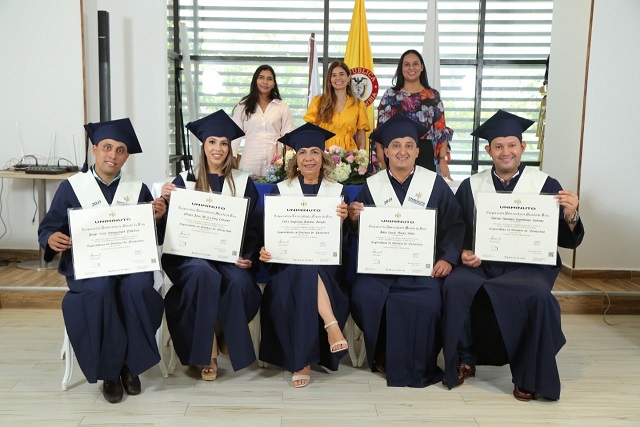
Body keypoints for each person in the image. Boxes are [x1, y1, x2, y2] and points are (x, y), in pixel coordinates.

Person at [441, 109, 585, 401]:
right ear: (488, 150)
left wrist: (571, 214)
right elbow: (457, 230)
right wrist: (463, 253)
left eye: (511, 145)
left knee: (536, 295)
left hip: (528, 267)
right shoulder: (472, 185)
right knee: (456, 284)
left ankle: (528, 373)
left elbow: (568, 238)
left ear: (522, 147)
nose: (505, 152)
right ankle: (465, 358)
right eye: (498, 146)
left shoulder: (546, 185)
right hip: (483, 265)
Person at [38, 118, 167, 404]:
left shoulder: (138, 188)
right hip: (90, 266)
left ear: (126, 156)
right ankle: (111, 371)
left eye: (120, 150)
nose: (113, 154)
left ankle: (130, 366)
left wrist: (157, 218)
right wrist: (51, 239)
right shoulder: (72, 187)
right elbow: (49, 227)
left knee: (139, 289)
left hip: (131, 265)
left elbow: (152, 235)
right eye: (107, 147)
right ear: (95, 149)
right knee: (99, 291)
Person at [347, 114, 465, 387]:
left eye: (409, 145)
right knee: (365, 295)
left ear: (417, 151)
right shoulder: (371, 186)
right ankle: (383, 356)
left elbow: (455, 225)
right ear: (385, 152)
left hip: (421, 269)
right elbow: (360, 232)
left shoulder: (434, 184)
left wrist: (447, 258)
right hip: (380, 270)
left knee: (429, 301)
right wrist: (354, 220)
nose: (403, 151)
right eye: (396, 145)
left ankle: (418, 362)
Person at [160, 110, 263, 381]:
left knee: (240, 284)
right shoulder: (184, 182)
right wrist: (165, 201)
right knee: (203, 273)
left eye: (224, 143)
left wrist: (248, 255)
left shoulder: (242, 183)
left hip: (228, 257)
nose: (218, 148)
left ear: (230, 148)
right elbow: (169, 226)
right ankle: (209, 350)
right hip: (189, 258)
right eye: (212, 142)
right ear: (203, 146)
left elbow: (254, 227)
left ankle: (223, 330)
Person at [258, 123, 351, 388]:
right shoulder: (281, 190)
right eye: (302, 153)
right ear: (295, 159)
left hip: (325, 267)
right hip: (286, 267)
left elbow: (341, 246)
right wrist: (265, 251)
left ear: (323, 158)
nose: (308, 157)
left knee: (309, 267)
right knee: (302, 267)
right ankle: (331, 325)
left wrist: (344, 222)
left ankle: (302, 362)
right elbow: (271, 236)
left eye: (314, 152)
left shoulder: (337, 192)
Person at [375, 49, 454, 177]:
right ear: (401, 68)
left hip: (425, 153)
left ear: (422, 67)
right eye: (407, 64)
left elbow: (441, 130)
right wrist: (380, 159)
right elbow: (380, 131)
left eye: (415, 64)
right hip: (397, 154)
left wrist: (442, 160)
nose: (411, 68)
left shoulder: (432, 95)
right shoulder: (390, 95)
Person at [231, 64, 294, 176]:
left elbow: (289, 139)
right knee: (248, 191)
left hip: (275, 161)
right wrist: (229, 162)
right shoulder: (242, 106)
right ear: (255, 81)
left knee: (273, 192)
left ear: (274, 84)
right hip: (250, 161)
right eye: (261, 77)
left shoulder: (282, 107)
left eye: (269, 79)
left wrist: (287, 163)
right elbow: (234, 139)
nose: (265, 82)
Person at [304, 60, 370, 150]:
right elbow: (311, 132)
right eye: (333, 75)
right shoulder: (318, 101)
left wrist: (361, 158)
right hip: (324, 152)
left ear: (348, 78)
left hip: (349, 155)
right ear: (329, 80)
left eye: (341, 74)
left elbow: (360, 136)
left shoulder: (358, 105)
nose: (337, 78)